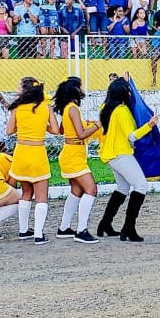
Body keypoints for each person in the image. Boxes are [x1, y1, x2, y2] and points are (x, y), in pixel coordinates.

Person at [95, 78, 158, 242]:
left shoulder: (105, 108)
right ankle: (128, 228)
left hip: (110, 154)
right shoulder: (122, 110)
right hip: (122, 153)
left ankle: (105, 224)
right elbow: (132, 136)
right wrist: (149, 125)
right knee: (141, 186)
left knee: (123, 187)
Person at [7, 77, 61, 244]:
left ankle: (23, 231)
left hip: (21, 151)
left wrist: (22, 127)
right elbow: (56, 130)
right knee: (41, 197)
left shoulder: (17, 108)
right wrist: (41, 125)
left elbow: (9, 131)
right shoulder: (45, 107)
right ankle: (38, 234)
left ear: (25, 90)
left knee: (26, 193)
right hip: (38, 152)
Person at [54, 77, 101, 244]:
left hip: (73, 153)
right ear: (75, 90)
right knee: (91, 190)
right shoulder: (73, 109)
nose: (83, 89)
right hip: (74, 155)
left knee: (77, 191)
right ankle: (81, 230)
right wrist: (97, 125)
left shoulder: (67, 108)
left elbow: (61, 130)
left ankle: (64, 227)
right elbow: (81, 134)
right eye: (81, 86)